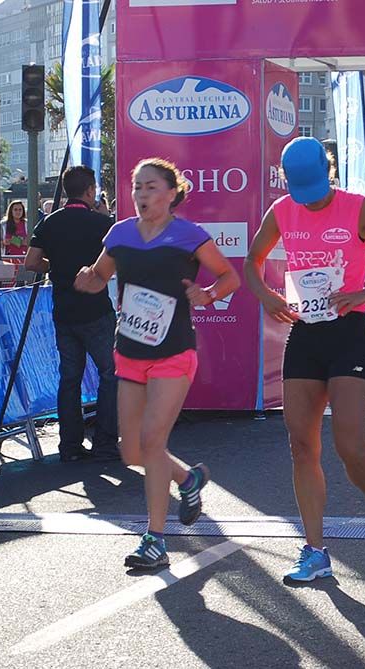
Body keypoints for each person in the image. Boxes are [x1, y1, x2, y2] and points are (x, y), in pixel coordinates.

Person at [243, 137, 365, 583]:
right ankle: (315, 552)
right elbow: (252, 261)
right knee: (302, 445)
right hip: (305, 332)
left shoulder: (359, 207)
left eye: (316, 188)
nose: (311, 199)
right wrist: (267, 295)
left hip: (348, 332)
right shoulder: (283, 210)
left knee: (349, 445)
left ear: (329, 172)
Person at [73, 159, 240, 570]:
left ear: (171, 193)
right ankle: (188, 479)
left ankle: (155, 539)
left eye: (150, 187)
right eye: (136, 187)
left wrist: (208, 294)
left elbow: (229, 277)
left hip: (174, 351)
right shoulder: (120, 233)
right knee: (130, 451)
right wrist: (87, 279)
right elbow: (99, 275)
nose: (141, 194)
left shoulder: (189, 235)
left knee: (152, 441)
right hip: (129, 350)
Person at [26, 166, 121, 465]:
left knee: (70, 379)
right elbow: (117, 261)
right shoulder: (102, 223)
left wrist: (57, 269)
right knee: (111, 374)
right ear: (91, 191)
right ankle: (105, 444)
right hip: (95, 310)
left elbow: (31, 262)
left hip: (63, 310)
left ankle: (69, 446)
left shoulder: (50, 222)